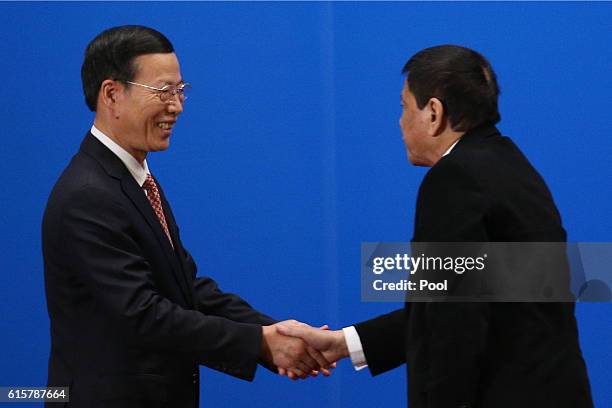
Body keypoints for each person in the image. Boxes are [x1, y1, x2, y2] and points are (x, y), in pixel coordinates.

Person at [278, 45, 594, 408]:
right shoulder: (514, 168)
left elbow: (454, 326)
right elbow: (457, 302)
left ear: (433, 113)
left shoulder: (455, 179)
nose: (399, 122)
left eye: (403, 107)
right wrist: (344, 344)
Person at [42, 25, 330, 408]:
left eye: (181, 91)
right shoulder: (88, 195)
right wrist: (260, 343)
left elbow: (184, 287)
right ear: (112, 94)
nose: (176, 106)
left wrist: (269, 330)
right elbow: (142, 313)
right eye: (163, 92)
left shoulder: (137, 180)